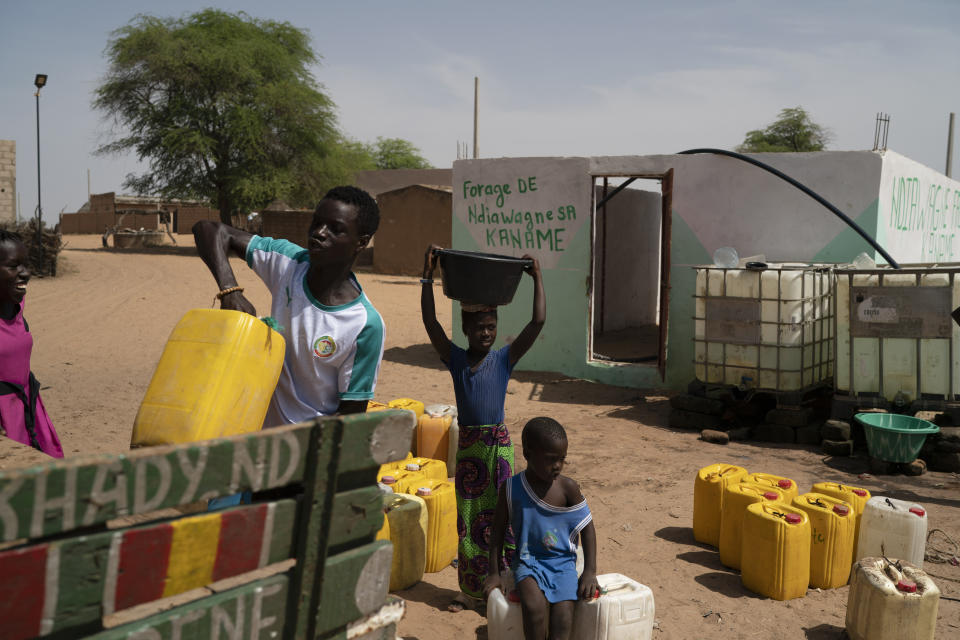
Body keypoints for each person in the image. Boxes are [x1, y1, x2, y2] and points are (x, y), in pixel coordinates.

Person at [194, 187, 384, 509]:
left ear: (361, 243)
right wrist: (229, 290)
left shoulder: (363, 324)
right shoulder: (289, 264)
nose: (318, 234)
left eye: (335, 229)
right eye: (316, 223)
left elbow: (350, 418)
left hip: (304, 461)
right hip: (251, 440)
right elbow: (209, 230)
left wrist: (295, 455)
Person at [421, 244, 545, 611]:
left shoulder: (504, 359)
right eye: (479, 328)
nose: (486, 333)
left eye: (491, 327)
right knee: (469, 518)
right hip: (471, 448)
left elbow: (537, 322)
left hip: (499, 447)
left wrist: (537, 277)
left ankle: (502, 583)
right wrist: (427, 276)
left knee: (504, 516)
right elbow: (430, 323)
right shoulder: (456, 360)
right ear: (466, 329)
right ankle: (470, 589)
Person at [483, 417, 599, 640]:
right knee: (533, 608)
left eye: (562, 459)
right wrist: (494, 573)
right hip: (528, 562)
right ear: (527, 454)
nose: (557, 466)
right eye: (550, 459)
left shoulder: (568, 489)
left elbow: (588, 527)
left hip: (562, 563)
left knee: (563, 617)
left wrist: (589, 572)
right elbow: (496, 532)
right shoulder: (511, 488)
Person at [0, 229, 64, 458]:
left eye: (25, 265)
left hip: (28, 408)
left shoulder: (15, 304)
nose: (25, 273)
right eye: (13, 266)